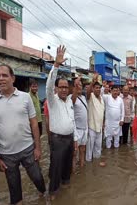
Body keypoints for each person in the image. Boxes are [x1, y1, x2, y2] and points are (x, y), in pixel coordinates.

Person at [0, 64, 46, 205]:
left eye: (4, 75)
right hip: (6, 155)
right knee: (14, 191)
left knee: (38, 179)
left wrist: (37, 148)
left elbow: (34, 124)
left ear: (12, 78)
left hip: (28, 149)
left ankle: (43, 197)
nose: (1, 78)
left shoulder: (26, 98)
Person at [46, 45, 78, 200]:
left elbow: (73, 121)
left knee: (67, 167)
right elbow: (49, 84)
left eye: (66, 87)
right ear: (57, 89)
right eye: (61, 87)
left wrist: (75, 139)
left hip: (69, 138)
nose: (64, 90)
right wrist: (56, 65)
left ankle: (66, 189)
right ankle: (53, 193)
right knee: (56, 168)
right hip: (57, 140)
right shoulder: (52, 101)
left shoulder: (70, 102)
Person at [69, 77, 88, 168]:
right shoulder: (71, 97)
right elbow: (72, 101)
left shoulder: (83, 97)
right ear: (73, 87)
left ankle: (82, 167)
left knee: (82, 150)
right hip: (76, 130)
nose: (79, 87)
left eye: (80, 85)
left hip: (84, 129)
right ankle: (73, 172)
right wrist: (75, 90)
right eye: (77, 85)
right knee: (74, 152)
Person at [86, 74, 105, 162]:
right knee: (89, 150)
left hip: (100, 129)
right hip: (92, 128)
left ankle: (96, 165)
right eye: (96, 87)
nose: (98, 89)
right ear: (93, 89)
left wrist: (103, 123)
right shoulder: (91, 96)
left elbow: (102, 112)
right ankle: (88, 167)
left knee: (98, 149)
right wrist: (92, 82)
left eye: (99, 88)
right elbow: (87, 93)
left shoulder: (102, 98)